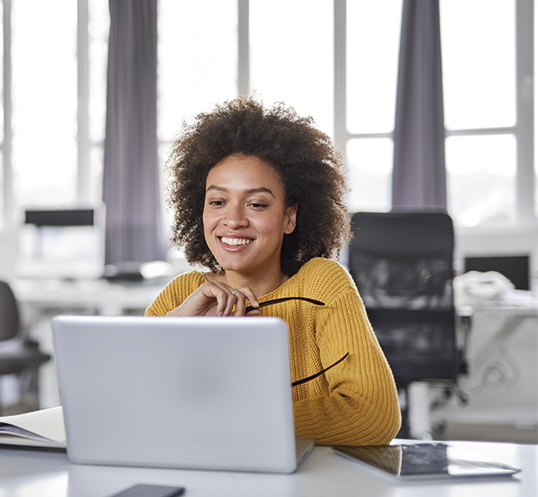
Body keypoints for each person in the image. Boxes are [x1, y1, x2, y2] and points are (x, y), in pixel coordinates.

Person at [146, 96, 401, 446]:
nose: (233, 220)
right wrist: (173, 332)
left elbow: (372, 414)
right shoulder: (181, 296)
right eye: (218, 201)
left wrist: (227, 423)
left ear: (289, 217)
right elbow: (134, 412)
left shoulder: (322, 286)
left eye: (256, 204)